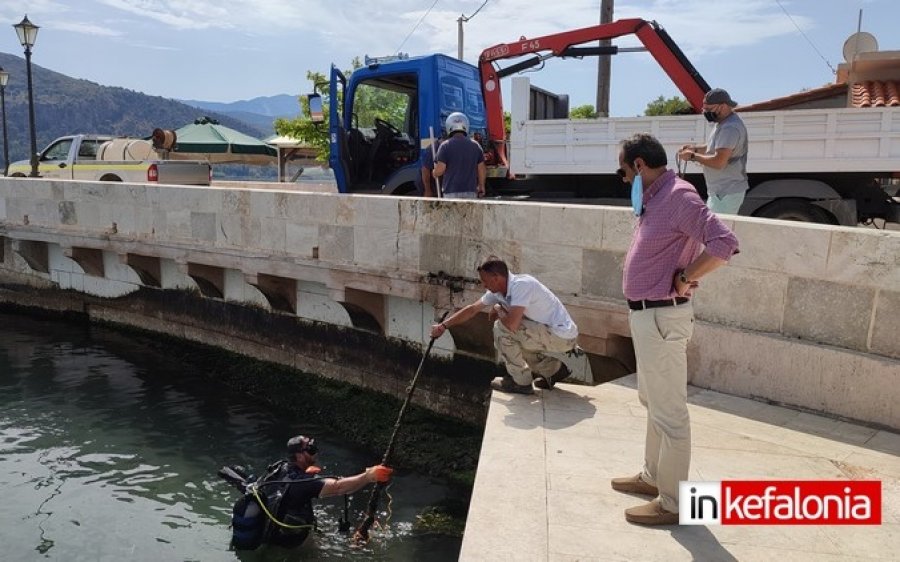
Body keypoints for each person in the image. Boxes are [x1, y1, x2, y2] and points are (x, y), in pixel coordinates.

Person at [613, 133, 739, 526]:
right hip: (647, 315)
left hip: (662, 316)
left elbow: (724, 244)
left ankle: (673, 502)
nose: (622, 179)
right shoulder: (654, 199)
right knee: (653, 402)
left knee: (671, 414)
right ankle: (653, 477)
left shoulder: (680, 196)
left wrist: (687, 275)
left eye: (622, 171)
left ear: (638, 165)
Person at [429, 256, 578, 394]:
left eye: (485, 280)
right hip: (553, 334)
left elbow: (512, 325)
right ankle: (554, 371)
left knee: (501, 328)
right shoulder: (498, 291)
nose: (483, 285)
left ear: (496, 278)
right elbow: (472, 309)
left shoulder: (521, 285)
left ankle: (521, 382)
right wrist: (443, 326)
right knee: (516, 341)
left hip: (561, 336)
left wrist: (499, 309)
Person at [223, 435, 393, 549]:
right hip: (288, 544)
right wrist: (369, 476)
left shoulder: (278, 468)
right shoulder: (303, 483)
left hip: (269, 534)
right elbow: (339, 487)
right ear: (299, 456)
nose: (315, 451)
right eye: (310, 449)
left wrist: (307, 473)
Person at [678, 88, 749, 215]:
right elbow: (714, 147)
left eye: (709, 109)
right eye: (704, 109)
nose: (705, 112)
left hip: (725, 193)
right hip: (721, 192)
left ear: (723, 106)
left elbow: (719, 161)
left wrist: (693, 156)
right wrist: (694, 149)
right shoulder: (723, 123)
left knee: (717, 233)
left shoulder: (729, 128)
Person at [433, 112, 486, 199]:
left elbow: (440, 170)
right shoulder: (475, 145)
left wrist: (434, 173)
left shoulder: (445, 146)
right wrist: (481, 186)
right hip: (470, 191)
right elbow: (481, 169)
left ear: (449, 126)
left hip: (451, 192)